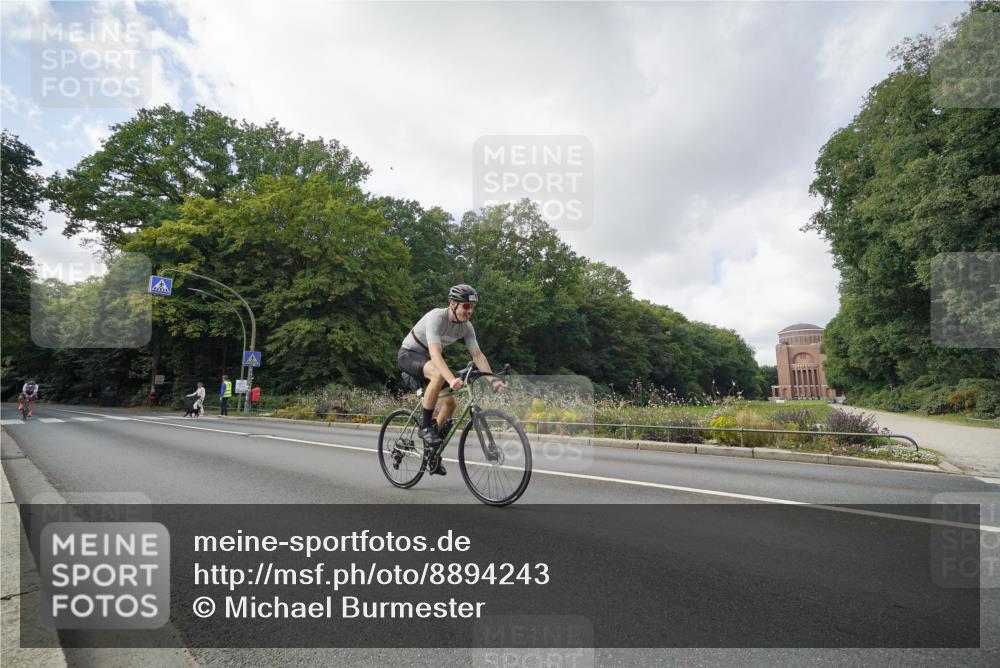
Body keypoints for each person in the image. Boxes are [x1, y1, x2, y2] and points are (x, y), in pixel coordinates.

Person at [397, 284, 506, 476]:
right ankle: (425, 427)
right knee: (439, 374)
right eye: (466, 306)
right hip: (410, 354)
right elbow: (435, 354)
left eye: (472, 307)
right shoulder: (436, 317)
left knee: (450, 404)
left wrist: (493, 381)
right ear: (453, 304)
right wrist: (451, 379)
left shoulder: (466, 327)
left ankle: (431, 452)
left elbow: (477, 355)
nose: (469, 311)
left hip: (429, 360)